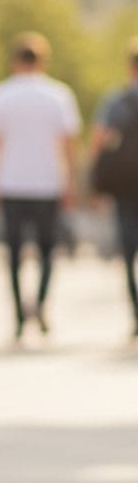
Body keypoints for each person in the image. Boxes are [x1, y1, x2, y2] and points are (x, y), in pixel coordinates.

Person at [0, 33, 82, 340]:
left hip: (10, 183)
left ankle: (18, 314)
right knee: (48, 251)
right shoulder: (59, 96)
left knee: (13, 252)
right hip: (47, 183)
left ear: (15, 61)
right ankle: (40, 304)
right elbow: (68, 146)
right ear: (42, 61)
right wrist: (70, 183)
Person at [89, 38, 138, 339]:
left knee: (128, 249)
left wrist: (94, 180)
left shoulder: (116, 100)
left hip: (124, 183)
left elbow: (98, 140)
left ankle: (136, 311)